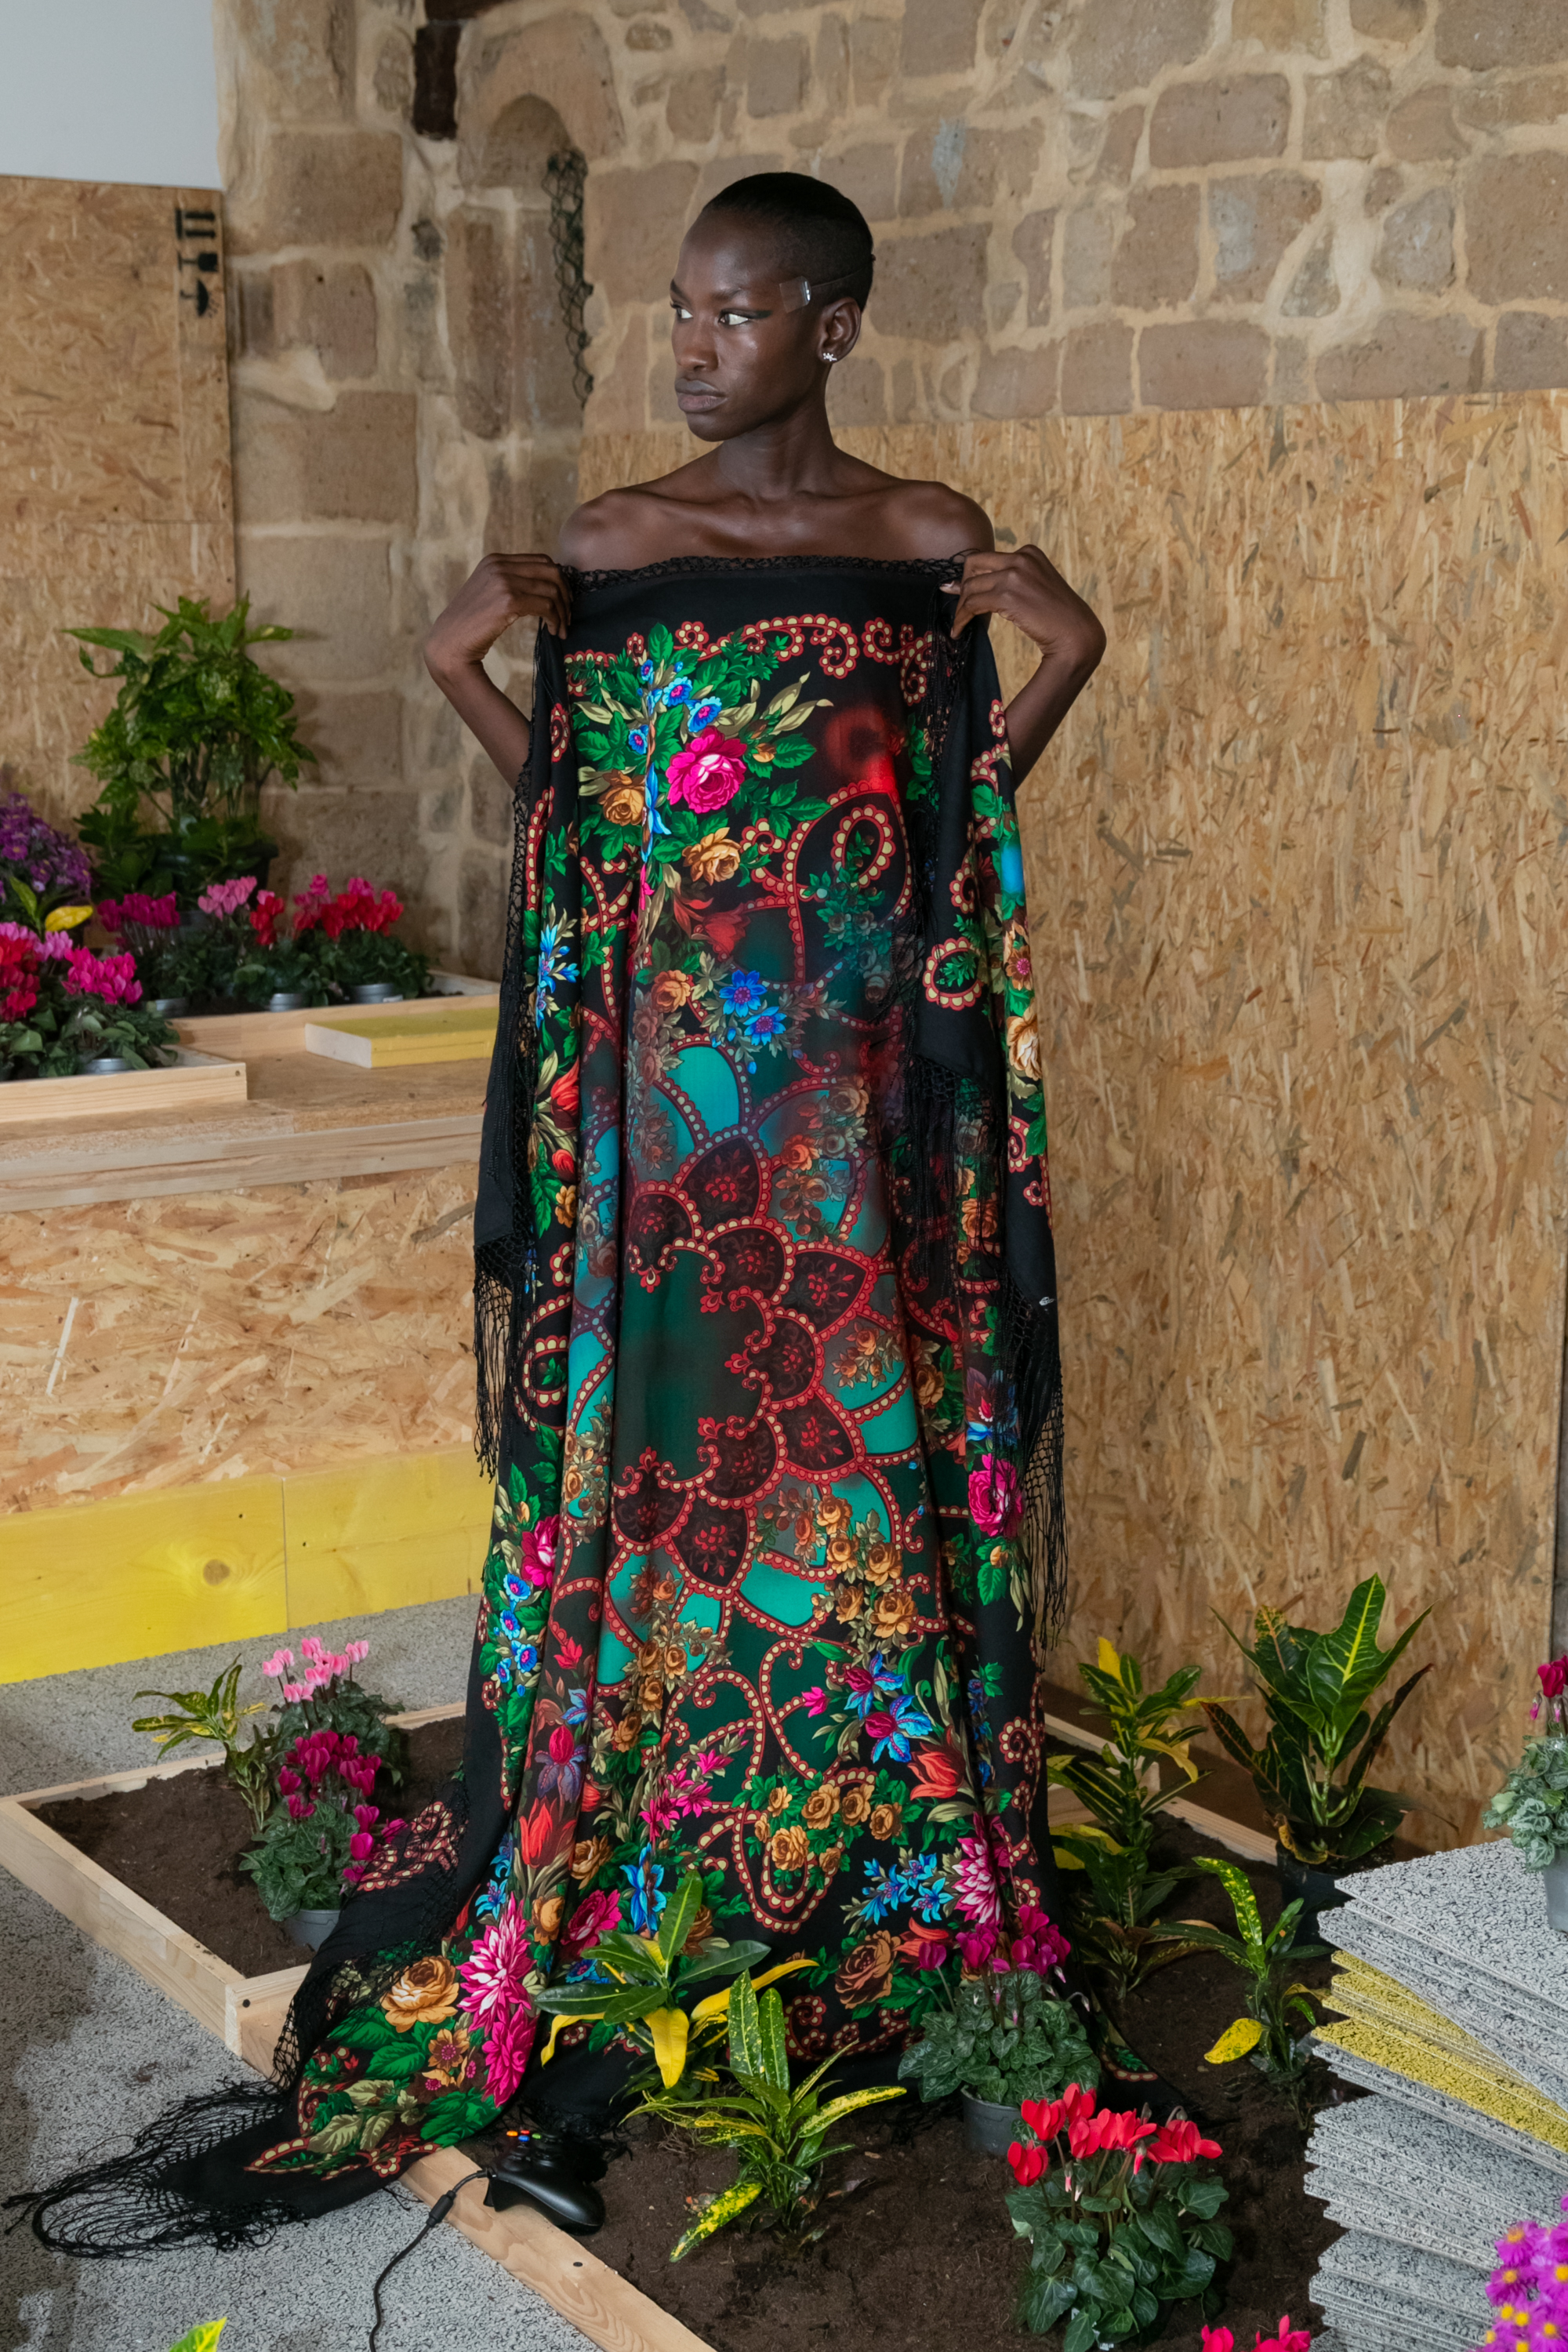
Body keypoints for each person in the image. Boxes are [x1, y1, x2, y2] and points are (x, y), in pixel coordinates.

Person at [16, 172, 1105, 2259]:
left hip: (851, 1118)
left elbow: (954, 821)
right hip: (673, 1143)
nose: (690, 348)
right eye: (677, 310)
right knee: (668, 1469)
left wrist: (1067, 650)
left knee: (860, 1468)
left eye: (734, 314)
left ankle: (883, 1861)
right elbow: (581, 836)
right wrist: (458, 663)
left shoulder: (921, 538)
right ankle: (664, 1841)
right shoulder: (615, 546)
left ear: (834, 328)